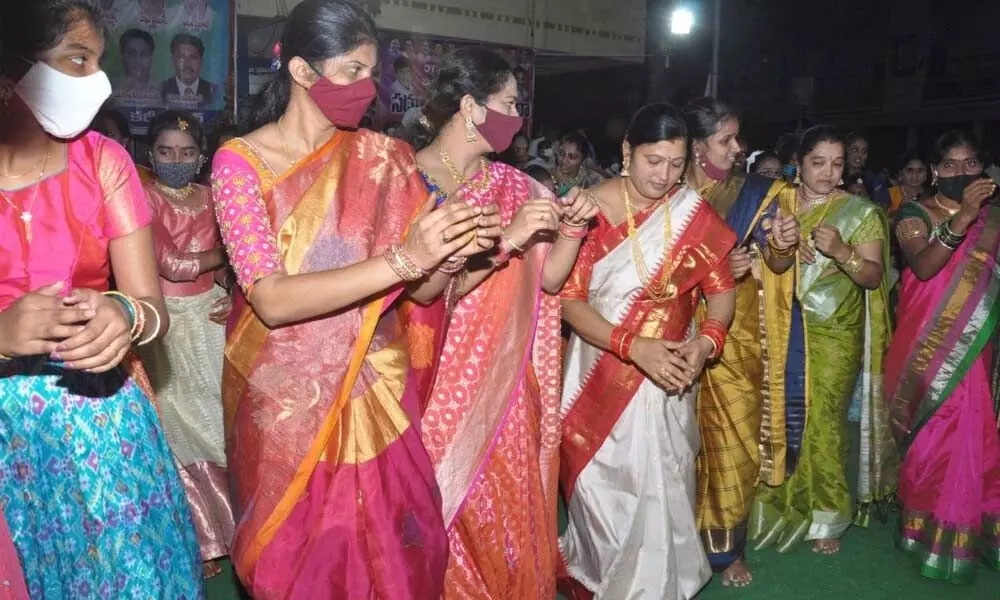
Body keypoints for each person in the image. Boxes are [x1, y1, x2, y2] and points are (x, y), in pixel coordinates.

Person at [210, 1, 501, 598]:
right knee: (303, 562)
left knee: (391, 555)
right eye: (350, 71)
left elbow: (418, 290)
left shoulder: (386, 158)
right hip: (285, 399)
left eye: (371, 74)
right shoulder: (241, 163)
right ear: (300, 70)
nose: (365, 89)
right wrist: (405, 259)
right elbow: (271, 299)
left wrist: (445, 253)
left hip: (376, 390)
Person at [0, 1, 202, 596]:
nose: (98, 83)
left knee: (129, 577)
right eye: (78, 61)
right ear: (8, 72)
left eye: (98, 63)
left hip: (98, 420)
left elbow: (152, 308)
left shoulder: (103, 162)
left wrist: (124, 313)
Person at [412, 47, 598, 600]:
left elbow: (548, 283)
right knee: (449, 504)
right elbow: (423, 296)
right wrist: (508, 241)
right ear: (470, 106)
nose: (518, 117)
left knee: (510, 507)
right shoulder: (410, 181)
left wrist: (571, 230)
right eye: (509, 103)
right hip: (439, 380)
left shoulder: (519, 186)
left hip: (513, 377)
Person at [559, 103, 737, 600]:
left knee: (664, 483)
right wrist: (634, 346)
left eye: (676, 164)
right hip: (599, 367)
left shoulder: (692, 215)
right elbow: (568, 303)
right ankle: (598, 580)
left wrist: (705, 344)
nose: (664, 176)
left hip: (672, 373)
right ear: (626, 152)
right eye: (652, 161)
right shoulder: (587, 208)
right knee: (601, 485)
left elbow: (720, 290)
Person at [748, 125, 896, 556]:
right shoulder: (777, 205)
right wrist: (780, 244)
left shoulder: (861, 212)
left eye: (837, 164)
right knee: (778, 410)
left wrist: (842, 251)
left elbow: (872, 277)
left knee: (826, 421)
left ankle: (828, 512)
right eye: (818, 163)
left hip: (835, 330)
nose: (829, 172)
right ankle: (775, 498)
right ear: (799, 161)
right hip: (781, 324)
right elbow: (750, 257)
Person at [888, 131, 1000, 584]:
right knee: (933, 435)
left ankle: (974, 527)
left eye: (970, 164)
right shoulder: (912, 215)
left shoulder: (994, 221)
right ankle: (925, 529)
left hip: (978, 345)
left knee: (976, 430)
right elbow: (924, 266)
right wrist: (966, 215)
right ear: (935, 171)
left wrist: (980, 214)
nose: (961, 173)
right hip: (924, 349)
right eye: (950, 165)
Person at [682, 97, 781, 587]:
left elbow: (780, 265)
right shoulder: (666, 191)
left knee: (734, 442)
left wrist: (776, 249)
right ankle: (674, 538)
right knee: (675, 446)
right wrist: (712, 271)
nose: (738, 148)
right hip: (674, 334)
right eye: (727, 139)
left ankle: (726, 550)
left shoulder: (755, 194)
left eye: (737, 137)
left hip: (733, 340)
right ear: (698, 147)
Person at [139, 110, 236, 580]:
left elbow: (229, 269)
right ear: (148, 154)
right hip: (169, 325)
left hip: (214, 317)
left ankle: (238, 527)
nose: (175, 160)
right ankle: (202, 537)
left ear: (202, 157)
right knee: (180, 426)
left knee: (225, 420)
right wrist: (229, 251)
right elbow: (174, 265)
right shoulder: (140, 198)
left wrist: (233, 294)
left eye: (186, 152)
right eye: (164, 151)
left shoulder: (215, 196)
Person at [161, 34, 219, 108]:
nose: (187, 63)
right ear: (172, 60)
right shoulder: (160, 90)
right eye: (182, 57)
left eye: (193, 57)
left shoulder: (214, 92)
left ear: (201, 61)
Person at [844, 131, 891, 210]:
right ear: (846, 151)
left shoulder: (874, 179)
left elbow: (883, 207)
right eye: (854, 150)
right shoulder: (836, 178)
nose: (859, 155)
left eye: (864, 151)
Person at [115, 28, 158, 103]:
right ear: (123, 57)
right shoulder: (111, 93)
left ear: (151, 58)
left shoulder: (161, 94)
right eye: (132, 54)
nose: (138, 60)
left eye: (143, 54)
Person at [553, 132, 603, 196]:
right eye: (561, 153)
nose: (564, 160)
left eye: (572, 157)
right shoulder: (547, 177)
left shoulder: (595, 181)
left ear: (583, 160)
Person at [887, 150, 928, 214]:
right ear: (901, 173)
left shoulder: (931, 195)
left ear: (926, 173)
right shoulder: (890, 194)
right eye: (909, 170)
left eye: (920, 170)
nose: (914, 176)